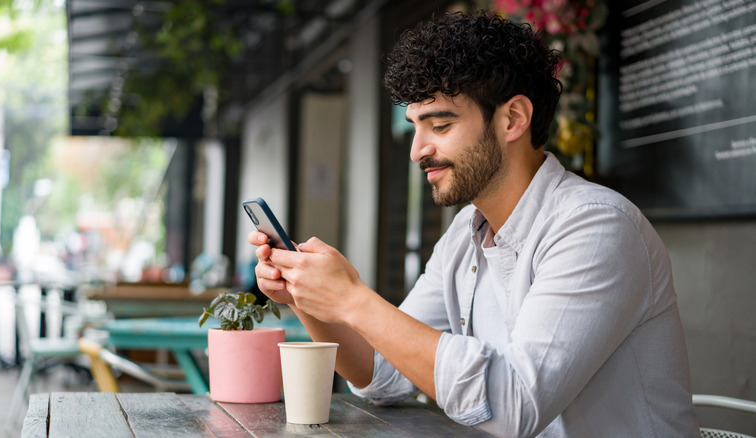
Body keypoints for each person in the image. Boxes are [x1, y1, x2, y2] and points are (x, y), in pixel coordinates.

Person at [249, 10, 700, 437]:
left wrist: (353, 300)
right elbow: (383, 375)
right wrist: (308, 296)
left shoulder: (597, 227)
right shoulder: (467, 233)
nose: (416, 150)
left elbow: (514, 406)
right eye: (414, 127)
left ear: (513, 119)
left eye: (439, 126)